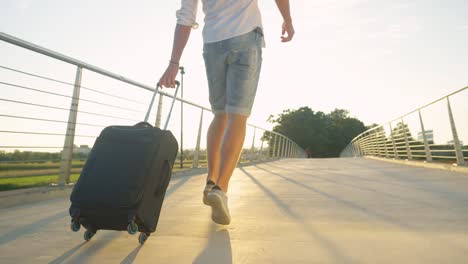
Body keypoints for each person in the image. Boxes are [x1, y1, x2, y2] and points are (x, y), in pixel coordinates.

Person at [159, 0, 295, 225]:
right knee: (238, 116)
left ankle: (211, 181)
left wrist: (173, 63)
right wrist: (287, 20)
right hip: (245, 38)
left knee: (220, 114)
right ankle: (221, 188)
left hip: (212, 44)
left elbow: (185, 17)